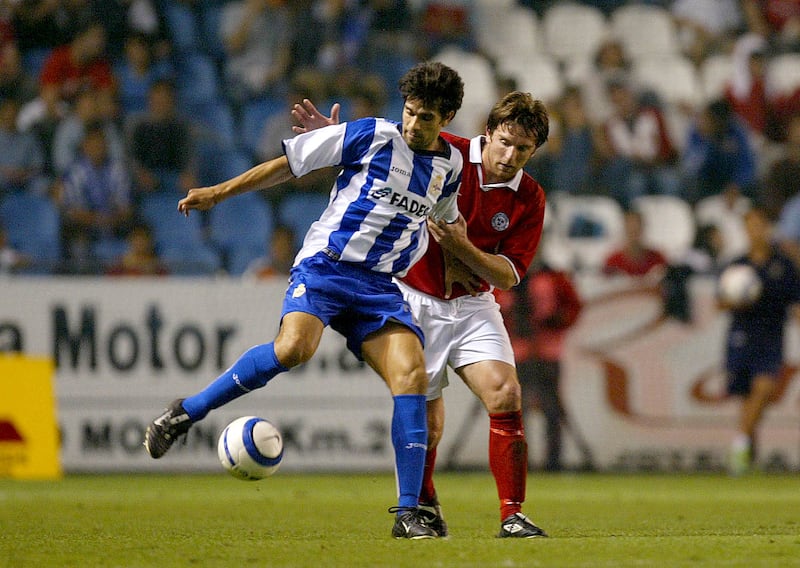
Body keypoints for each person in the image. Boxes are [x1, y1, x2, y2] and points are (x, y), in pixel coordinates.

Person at [143, 61, 465, 540]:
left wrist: (466, 267)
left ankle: (408, 514)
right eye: (411, 113)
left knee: (411, 375)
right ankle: (186, 412)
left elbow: (444, 222)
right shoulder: (372, 135)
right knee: (294, 349)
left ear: (448, 119)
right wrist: (217, 192)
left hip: (379, 287)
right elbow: (288, 165)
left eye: (428, 118)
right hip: (328, 266)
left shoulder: (449, 167)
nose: (416, 125)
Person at [293, 90, 551, 538]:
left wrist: (462, 248)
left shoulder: (529, 196)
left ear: (534, 151)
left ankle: (512, 514)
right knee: (428, 422)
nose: (510, 156)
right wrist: (331, 141)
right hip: (414, 298)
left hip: (473, 306)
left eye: (523, 149)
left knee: (506, 394)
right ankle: (424, 504)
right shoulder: (446, 152)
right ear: (486, 133)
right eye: (504, 142)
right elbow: (389, 141)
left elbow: (509, 276)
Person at [719, 208, 800, 475]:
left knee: (764, 388)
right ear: (745, 229)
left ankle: (739, 446)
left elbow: (795, 302)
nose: (755, 231)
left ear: (768, 228)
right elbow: (720, 302)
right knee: (747, 400)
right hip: (741, 337)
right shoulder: (737, 264)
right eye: (750, 225)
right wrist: (735, 300)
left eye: (760, 225)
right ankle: (747, 454)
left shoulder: (784, 265)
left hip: (770, 338)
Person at [495, 256, 589, 473]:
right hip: (517, 353)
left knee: (551, 409)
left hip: (547, 351)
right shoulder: (508, 273)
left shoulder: (553, 277)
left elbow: (573, 308)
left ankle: (552, 461)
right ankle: (517, 462)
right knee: (517, 409)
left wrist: (556, 321)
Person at [602, 209, 668, 279]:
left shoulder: (658, 259)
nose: (634, 234)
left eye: (636, 229)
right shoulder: (612, 262)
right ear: (624, 230)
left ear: (643, 229)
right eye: (630, 229)